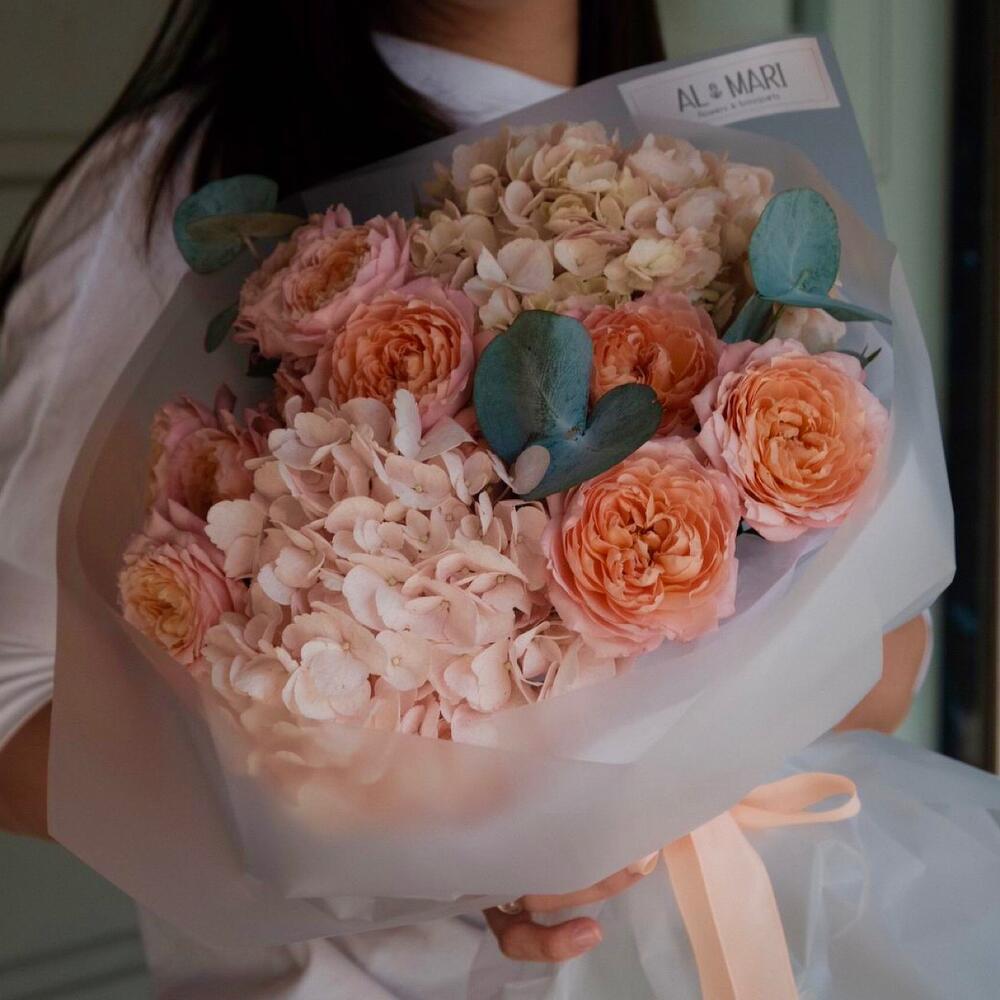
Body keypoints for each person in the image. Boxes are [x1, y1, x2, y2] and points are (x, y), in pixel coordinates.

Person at [0, 1, 933, 994]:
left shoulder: (725, 170)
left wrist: (674, 756)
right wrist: (426, 851)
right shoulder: (172, 182)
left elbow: (892, 654)